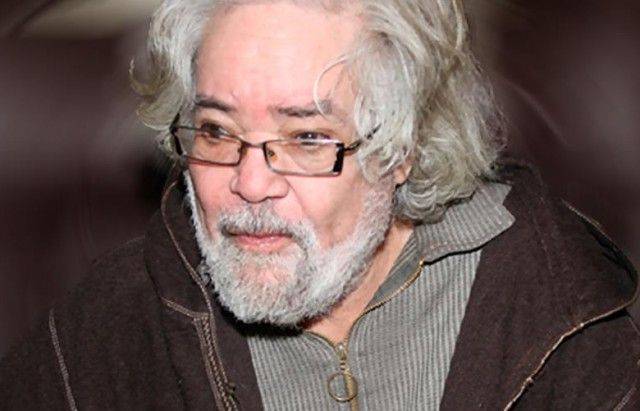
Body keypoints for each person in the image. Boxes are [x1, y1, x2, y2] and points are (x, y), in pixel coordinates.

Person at [1, 0, 638, 409]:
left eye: (306, 139)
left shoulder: (563, 311)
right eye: (217, 131)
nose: (250, 183)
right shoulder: (106, 333)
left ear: (401, 148)